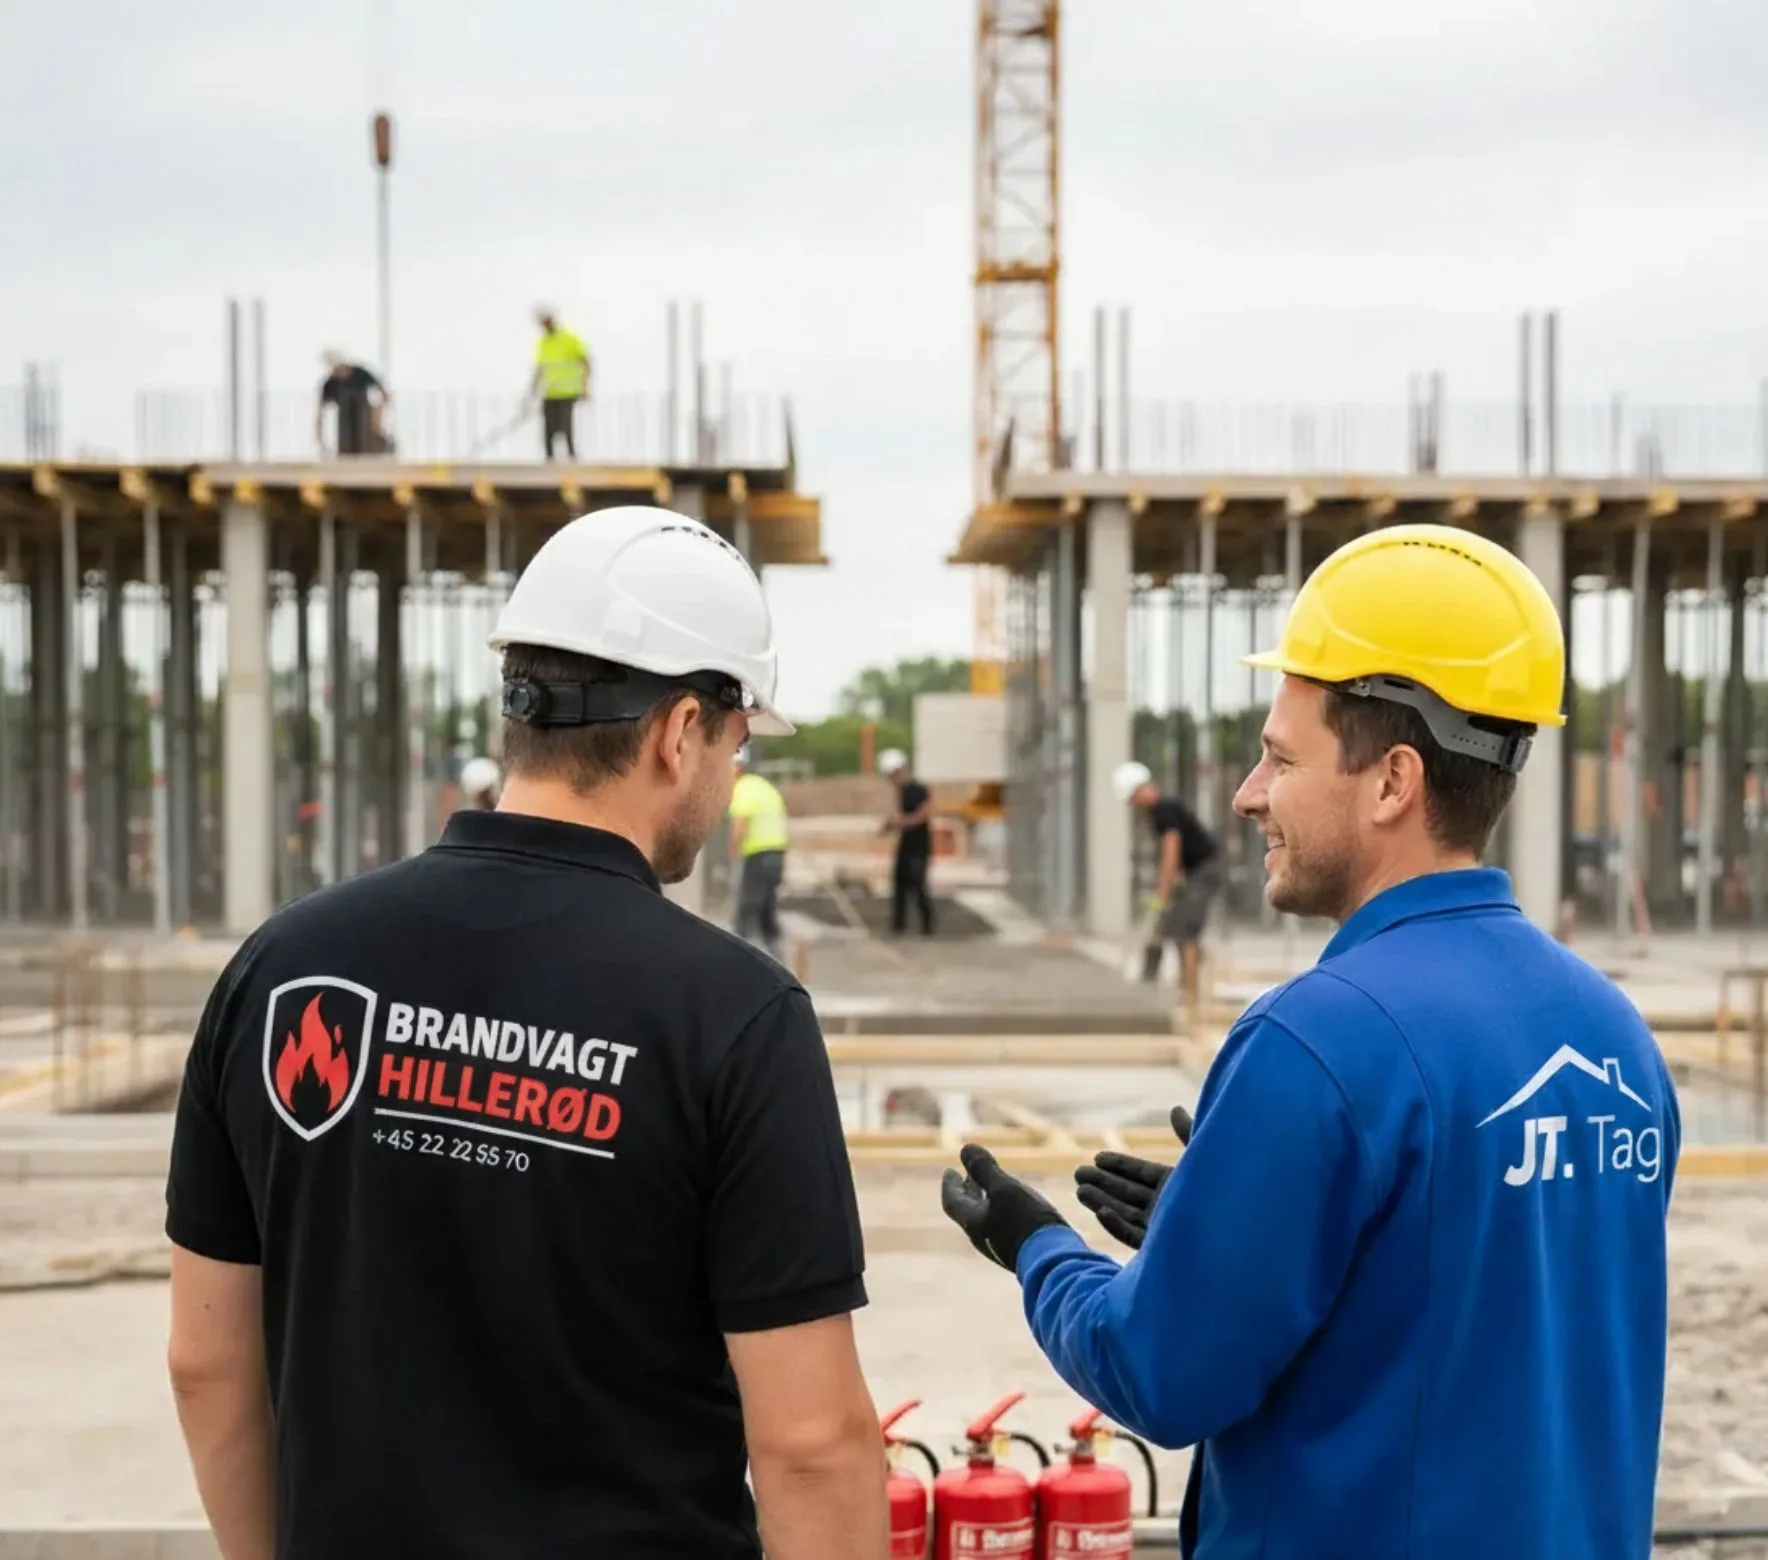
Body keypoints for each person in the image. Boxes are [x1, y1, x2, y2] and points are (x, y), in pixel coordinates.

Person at [939, 523, 1679, 1560]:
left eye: (1280, 758)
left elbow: (1160, 1373)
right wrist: (1236, 1236)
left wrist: (1038, 1250)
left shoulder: (1318, 1039)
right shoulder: (1613, 1036)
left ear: (1392, 783)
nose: (1249, 794)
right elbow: (1475, 1306)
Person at [164, 505, 889, 1560]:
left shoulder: (282, 970)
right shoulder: (734, 1016)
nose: (733, 780)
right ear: (680, 730)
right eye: (737, 745)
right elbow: (812, 1445)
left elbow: (206, 1362)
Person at [1110, 762, 1223, 1015]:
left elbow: (1171, 853)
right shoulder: (1164, 809)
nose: (1135, 804)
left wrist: (1162, 895)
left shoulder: (1162, 811)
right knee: (1172, 929)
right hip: (1196, 873)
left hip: (1202, 873)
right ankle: (1178, 985)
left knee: (1185, 933)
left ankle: (1192, 999)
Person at [728, 743, 789, 962]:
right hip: (777, 853)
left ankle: (739, 961)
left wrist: (733, 853)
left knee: (747, 910)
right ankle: (778, 960)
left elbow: (740, 825)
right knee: (766, 911)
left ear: (737, 767)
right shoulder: (764, 786)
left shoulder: (743, 789)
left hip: (757, 854)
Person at [879, 748, 933, 936]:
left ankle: (927, 925)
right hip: (906, 844)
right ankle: (898, 925)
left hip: (919, 845)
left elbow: (922, 816)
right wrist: (890, 825)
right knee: (899, 884)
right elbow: (901, 816)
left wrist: (899, 822)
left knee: (918, 886)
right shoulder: (901, 791)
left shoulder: (919, 789)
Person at [529, 305, 591, 461]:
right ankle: (549, 459)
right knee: (549, 427)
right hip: (550, 391)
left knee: (565, 426)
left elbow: (585, 362)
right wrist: (534, 387)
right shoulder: (543, 342)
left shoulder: (570, 337)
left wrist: (585, 387)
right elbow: (540, 367)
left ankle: (571, 456)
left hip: (568, 391)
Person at [314, 350, 391, 456]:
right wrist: (320, 439)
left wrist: (377, 415)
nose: (341, 373)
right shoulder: (330, 384)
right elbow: (320, 414)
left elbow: (385, 395)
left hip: (365, 422)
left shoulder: (361, 373)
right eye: (337, 370)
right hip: (345, 427)